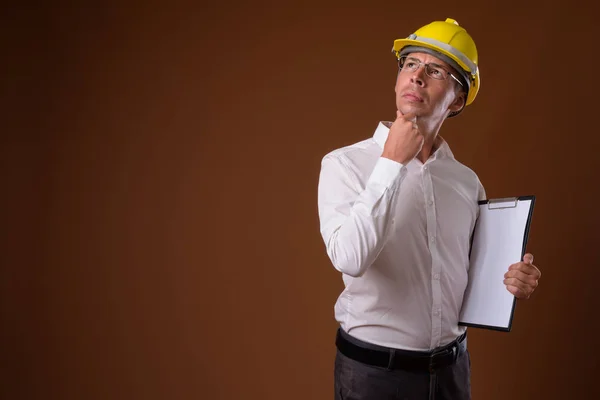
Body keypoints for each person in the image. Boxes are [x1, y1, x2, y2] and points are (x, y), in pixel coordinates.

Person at [316, 18, 542, 400]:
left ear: (457, 98)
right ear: (397, 80)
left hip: (452, 371)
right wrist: (390, 163)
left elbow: (469, 275)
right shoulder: (344, 164)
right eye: (409, 64)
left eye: (435, 70)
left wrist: (514, 278)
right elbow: (350, 257)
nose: (417, 76)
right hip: (374, 376)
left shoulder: (466, 183)